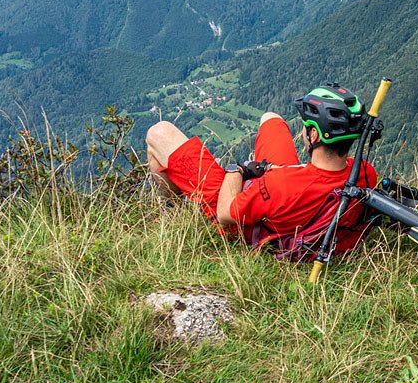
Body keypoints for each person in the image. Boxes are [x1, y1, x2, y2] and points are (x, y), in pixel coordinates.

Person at [146, 83, 379, 258]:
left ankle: (172, 211)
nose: (304, 132)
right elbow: (313, 180)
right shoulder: (365, 173)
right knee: (271, 119)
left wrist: (236, 170)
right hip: (291, 195)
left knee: (158, 133)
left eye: (307, 127)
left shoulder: (280, 184)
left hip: (242, 222)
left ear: (315, 135)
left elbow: (225, 215)